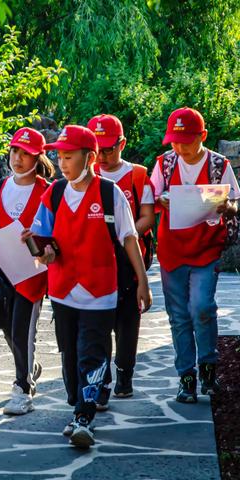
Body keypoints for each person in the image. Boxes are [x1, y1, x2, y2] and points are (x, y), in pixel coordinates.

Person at [23, 125, 152, 448]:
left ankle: (84, 417)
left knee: (91, 355)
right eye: (59, 157)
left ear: (89, 157)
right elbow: (43, 243)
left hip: (101, 291)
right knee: (69, 355)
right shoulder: (53, 194)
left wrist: (142, 283)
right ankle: (78, 404)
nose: (62, 164)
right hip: (64, 290)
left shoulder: (110, 194)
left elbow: (129, 239)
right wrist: (40, 250)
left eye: (69, 156)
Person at [150, 107, 240, 403]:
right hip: (172, 250)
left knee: (202, 307)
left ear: (202, 136)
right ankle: (186, 377)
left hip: (206, 249)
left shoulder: (218, 164)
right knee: (178, 316)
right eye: (174, 141)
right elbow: (152, 197)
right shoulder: (164, 164)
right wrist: (162, 199)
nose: (179, 147)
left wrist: (226, 205)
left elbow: (236, 202)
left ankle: (209, 369)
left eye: (186, 141)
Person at [0, 127, 55, 415]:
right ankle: (29, 366)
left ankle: (22, 387)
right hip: (3, 270)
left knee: (24, 328)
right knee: (8, 329)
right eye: (15, 151)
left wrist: (42, 245)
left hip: (32, 272)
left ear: (38, 158)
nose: (18, 158)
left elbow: (53, 234)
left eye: (26, 154)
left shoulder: (47, 191)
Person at [87, 114, 155, 401]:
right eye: (96, 150)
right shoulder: (85, 176)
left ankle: (124, 372)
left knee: (127, 320)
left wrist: (122, 235)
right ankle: (99, 379)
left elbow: (148, 218)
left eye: (109, 149)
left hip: (129, 259)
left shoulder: (138, 175)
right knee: (98, 321)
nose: (102, 156)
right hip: (95, 258)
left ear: (122, 144)